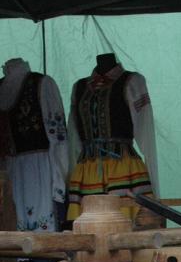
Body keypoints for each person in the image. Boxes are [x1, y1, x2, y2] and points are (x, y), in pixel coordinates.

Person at [66, 53, 159, 221]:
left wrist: (151, 169)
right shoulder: (79, 87)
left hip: (123, 167)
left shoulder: (132, 81)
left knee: (125, 223)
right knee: (88, 225)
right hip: (87, 170)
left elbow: (145, 128)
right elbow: (73, 136)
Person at [0, 58, 68, 231]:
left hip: (40, 168)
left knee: (40, 218)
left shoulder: (42, 84)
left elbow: (58, 135)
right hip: (7, 171)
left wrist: (60, 177)